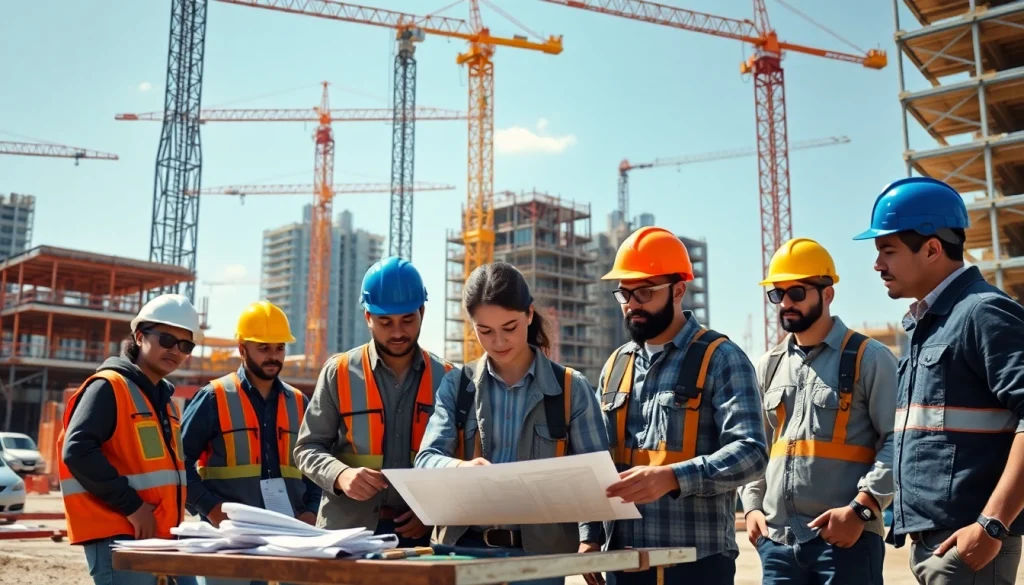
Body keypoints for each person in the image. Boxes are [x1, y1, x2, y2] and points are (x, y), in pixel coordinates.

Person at [853, 176, 1024, 584]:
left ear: (932, 249)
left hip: (969, 541)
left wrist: (992, 525)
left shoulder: (983, 313)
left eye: (887, 251)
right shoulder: (928, 325)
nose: (877, 265)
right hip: (934, 542)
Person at [414, 261, 609, 585]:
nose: (499, 341)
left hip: (539, 561)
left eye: (509, 327)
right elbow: (425, 460)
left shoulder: (571, 389)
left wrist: (590, 538)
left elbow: (594, 474)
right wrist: (460, 470)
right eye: (485, 331)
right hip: (462, 553)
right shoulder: (457, 386)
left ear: (529, 315)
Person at [595, 226, 768, 585]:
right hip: (622, 565)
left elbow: (752, 453)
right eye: (624, 293)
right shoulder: (616, 365)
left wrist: (674, 478)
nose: (631, 304)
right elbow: (595, 460)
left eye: (644, 292)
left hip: (695, 566)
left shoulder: (721, 359)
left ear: (678, 290)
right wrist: (589, 536)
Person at [739, 237, 898, 585]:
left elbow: (899, 443)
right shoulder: (768, 366)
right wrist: (752, 506)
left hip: (846, 541)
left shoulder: (869, 358)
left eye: (797, 292)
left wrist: (861, 509)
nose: (785, 303)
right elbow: (757, 448)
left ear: (827, 294)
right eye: (777, 294)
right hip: (778, 545)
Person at [294, 256, 454, 546]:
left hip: (420, 537)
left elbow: (458, 460)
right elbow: (307, 448)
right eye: (385, 321)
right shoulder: (338, 372)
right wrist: (340, 475)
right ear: (367, 317)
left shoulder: (447, 378)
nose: (397, 332)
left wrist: (432, 511)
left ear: (422, 312)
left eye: (407, 320)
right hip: (348, 533)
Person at [57, 294, 202, 585]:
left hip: (162, 535)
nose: (175, 350)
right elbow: (77, 451)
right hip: (119, 536)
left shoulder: (164, 402)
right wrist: (133, 507)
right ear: (139, 336)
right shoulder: (108, 387)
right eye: (166, 339)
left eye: (185, 345)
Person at [180, 300, 321, 540]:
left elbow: (313, 463)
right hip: (228, 534)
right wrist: (210, 509)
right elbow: (178, 462)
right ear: (242, 349)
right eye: (263, 348)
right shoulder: (214, 397)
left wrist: (311, 510)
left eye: (279, 348)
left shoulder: (299, 402)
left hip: (290, 534)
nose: (273, 357)